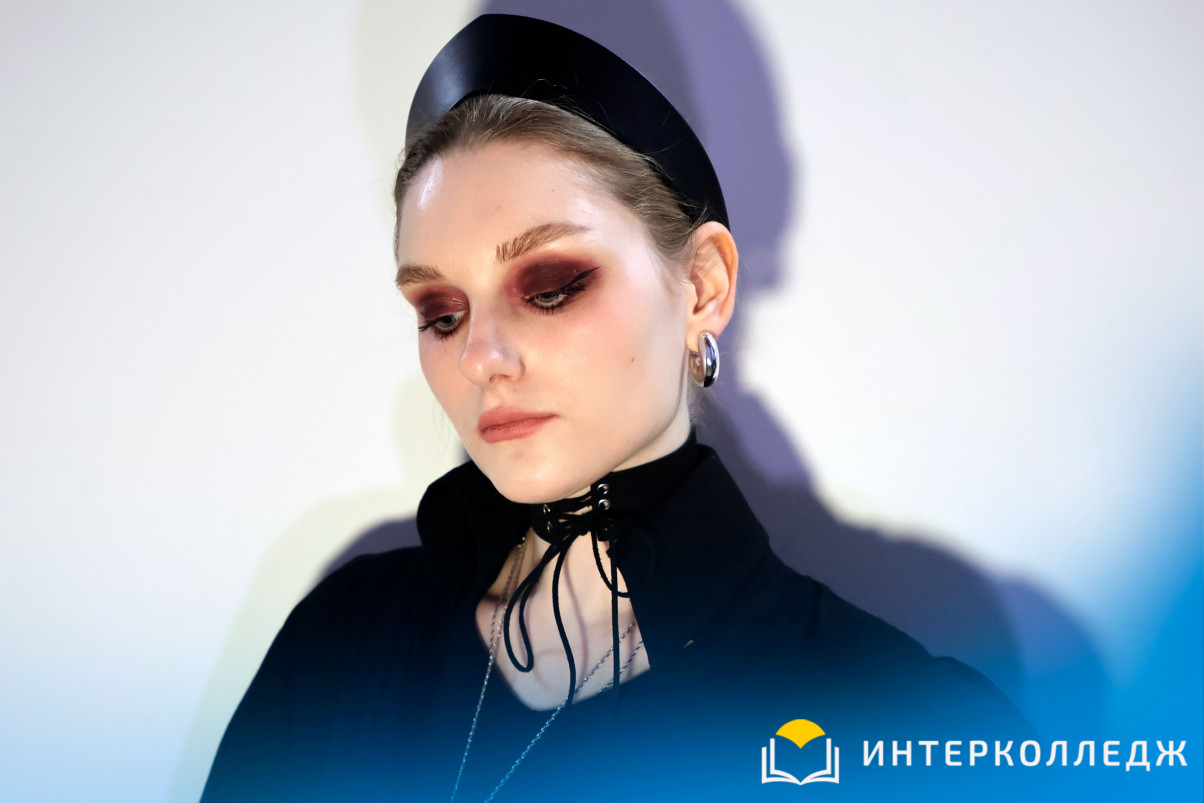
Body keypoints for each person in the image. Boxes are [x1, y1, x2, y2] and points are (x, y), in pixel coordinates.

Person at [201, 14, 1031, 802]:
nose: (479, 357)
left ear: (702, 286)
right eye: (441, 313)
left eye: (550, 287)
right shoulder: (338, 647)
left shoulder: (905, 718)